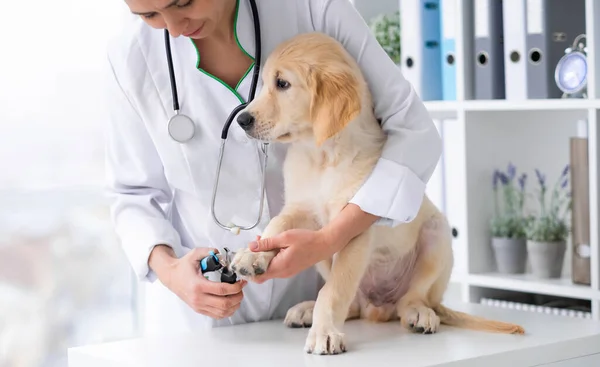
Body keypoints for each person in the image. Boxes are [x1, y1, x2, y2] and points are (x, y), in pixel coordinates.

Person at [104, 0, 442, 336]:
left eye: (183, 3)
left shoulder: (312, 8)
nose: (174, 28)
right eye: (148, 15)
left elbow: (414, 132)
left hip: (304, 298)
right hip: (194, 320)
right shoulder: (131, 56)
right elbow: (132, 193)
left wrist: (330, 239)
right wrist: (170, 270)